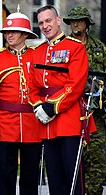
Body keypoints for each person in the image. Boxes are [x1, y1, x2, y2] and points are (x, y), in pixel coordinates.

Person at [28, 5, 96, 195]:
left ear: (58, 21)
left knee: (73, 178)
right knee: (54, 178)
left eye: (48, 21)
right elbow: (33, 86)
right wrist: (38, 106)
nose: (45, 26)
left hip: (69, 121)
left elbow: (76, 85)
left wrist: (52, 107)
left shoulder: (75, 48)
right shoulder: (38, 52)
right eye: (41, 23)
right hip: (46, 124)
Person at [0, 9, 42, 195]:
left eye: (14, 31)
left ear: (25, 34)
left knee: (30, 174)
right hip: (5, 123)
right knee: (5, 173)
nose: (9, 35)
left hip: (32, 124)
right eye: (7, 32)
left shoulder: (37, 55)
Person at [63, 6, 106, 194]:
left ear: (87, 23)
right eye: (72, 21)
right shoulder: (62, 47)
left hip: (95, 111)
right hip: (71, 111)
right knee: (70, 160)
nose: (75, 24)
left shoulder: (99, 48)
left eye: (79, 20)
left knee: (97, 159)